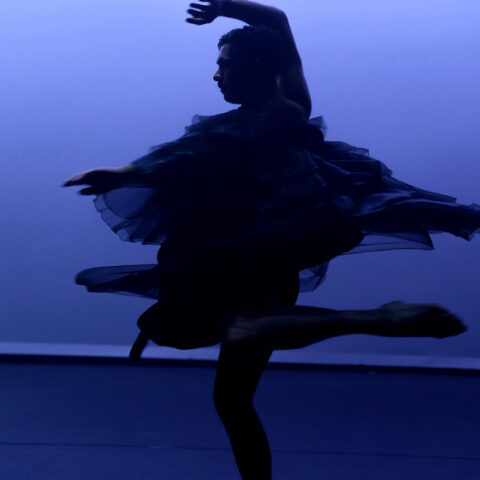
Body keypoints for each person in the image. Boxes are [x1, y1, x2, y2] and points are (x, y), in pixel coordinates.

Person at [64, 2, 476, 478]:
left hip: (239, 261)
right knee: (232, 397)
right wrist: (227, 8)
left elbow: (184, 152)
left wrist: (123, 171)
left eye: (225, 65)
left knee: (199, 333)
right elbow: (278, 22)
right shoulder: (293, 108)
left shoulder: (241, 125)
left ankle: (376, 318)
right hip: (276, 263)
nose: (216, 76)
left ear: (259, 68)